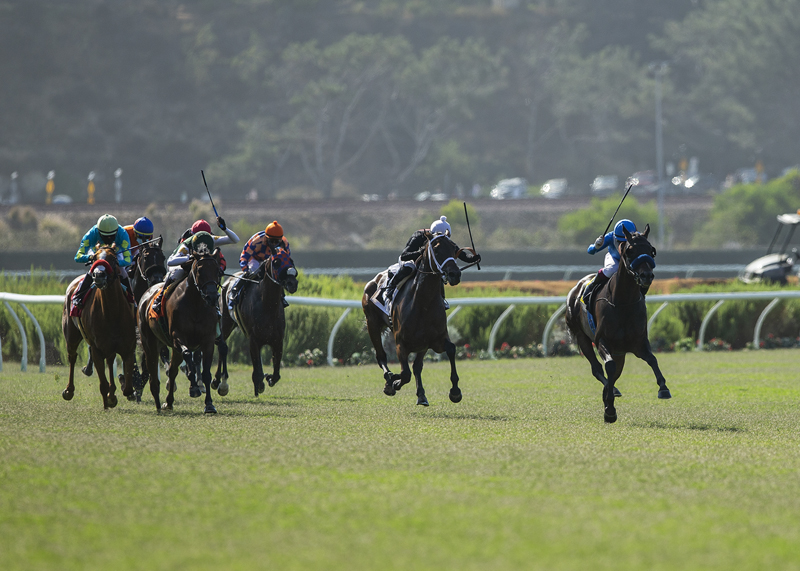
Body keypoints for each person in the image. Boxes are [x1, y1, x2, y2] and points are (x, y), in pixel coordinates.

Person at [376, 215, 480, 311]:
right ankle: (390, 289)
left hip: (427, 265)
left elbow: (462, 255)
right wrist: (421, 252)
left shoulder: (445, 241)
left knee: (438, 271)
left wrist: (474, 258)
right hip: (411, 260)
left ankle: (441, 299)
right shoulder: (419, 236)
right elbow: (404, 255)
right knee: (409, 266)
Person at [151, 216, 238, 315]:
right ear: (192, 235)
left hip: (199, 265)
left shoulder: (211, 239)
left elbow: (235, 240)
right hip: (180, 264)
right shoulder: (186, 245)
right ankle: (160, 298)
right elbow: (170, 262)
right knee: (177, 273)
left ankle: (215, 305)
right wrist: (189, 258)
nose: (203, 243)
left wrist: (224, 229)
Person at [71, 214, 133, 313]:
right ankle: (78, 296)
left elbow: (127, 260)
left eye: (112, 236)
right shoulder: (91, 233)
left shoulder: (122, 234)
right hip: (96, 253)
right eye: (104, 236)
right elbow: (77, 257)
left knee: (123, 271)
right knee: (95, 269)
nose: (108, 239)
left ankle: (131, 297)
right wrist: (91, 257)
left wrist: (114, 262)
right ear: (98, 232)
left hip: (115, 253)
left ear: (116, 232)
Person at [230, 220, 292, 308]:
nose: (274, 244)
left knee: (277, 273)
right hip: (255, 259)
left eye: (276, 241)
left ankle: (281, 297)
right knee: (254, 269)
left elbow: (286, 260)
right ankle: (235, 291)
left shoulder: (284, 244)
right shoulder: (257, 241)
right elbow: (244, 255)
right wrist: (245, 270)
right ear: (266, 238)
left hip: (270, 261)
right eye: (271, 241)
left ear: (280, 239)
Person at [583, 219, 641, 308]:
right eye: (619, 242)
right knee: (613, 268)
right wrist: (595, 246)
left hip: (629, 259)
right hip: (614, 258)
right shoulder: (610, 237)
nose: (623, 245)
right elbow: (590, 251)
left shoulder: (638, 236)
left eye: (626, 242)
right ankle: (591, 286)